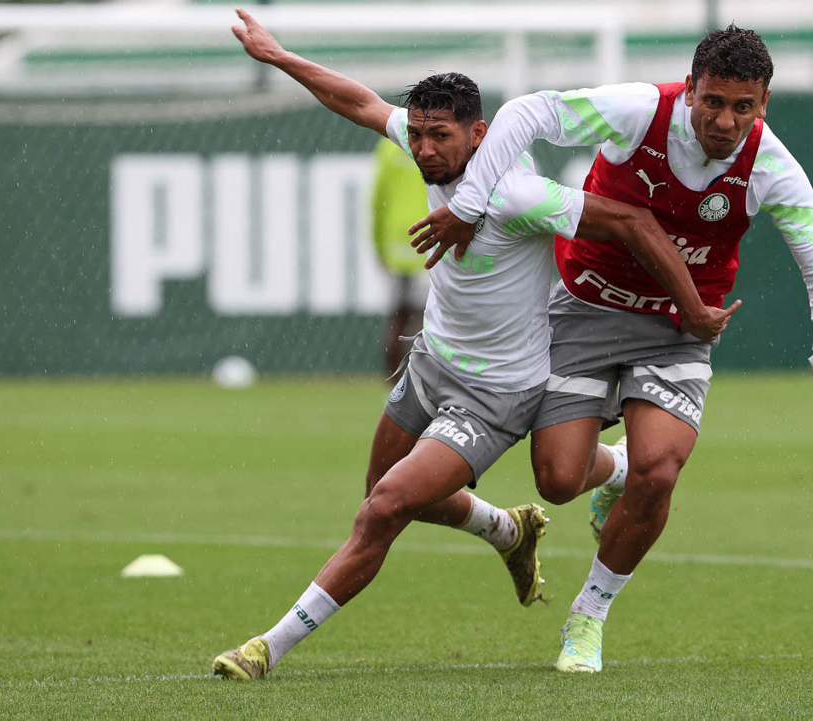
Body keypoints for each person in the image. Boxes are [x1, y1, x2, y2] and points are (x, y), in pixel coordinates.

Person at [212, 9, 735, 680]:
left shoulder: (519, 194)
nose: (425, 149)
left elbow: (631, 220)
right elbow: (360, 102)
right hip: (430, 363)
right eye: (418, 134)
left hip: (495, 396)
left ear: (479, 134)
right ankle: (506, 529)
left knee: (385, 508)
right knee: (382, 494)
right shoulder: (428, 151)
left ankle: (266, 647)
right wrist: (278, 55)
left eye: (440, 136)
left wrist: (690, 308)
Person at [410, 25, 813, 673]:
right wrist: (472, 202)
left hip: (680, 326)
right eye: (713, 101)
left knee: (661, 469)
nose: (725, 121)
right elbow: (529, 112)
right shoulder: (639, 111)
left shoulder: (770, 165)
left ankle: (587, 617)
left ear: (764, 103)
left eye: (743, 107)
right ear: (690, 90)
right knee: (557, 480)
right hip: (584, 309)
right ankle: (613, 470)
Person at [371, 138, 430, 380]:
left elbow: (377, 199)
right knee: (428, 322)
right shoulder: (434, 145)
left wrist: (379, 245)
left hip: (396, 243)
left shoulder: (388, 147)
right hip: (428, 238)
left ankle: (394, 386)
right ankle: (425, 383)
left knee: (397, 320)